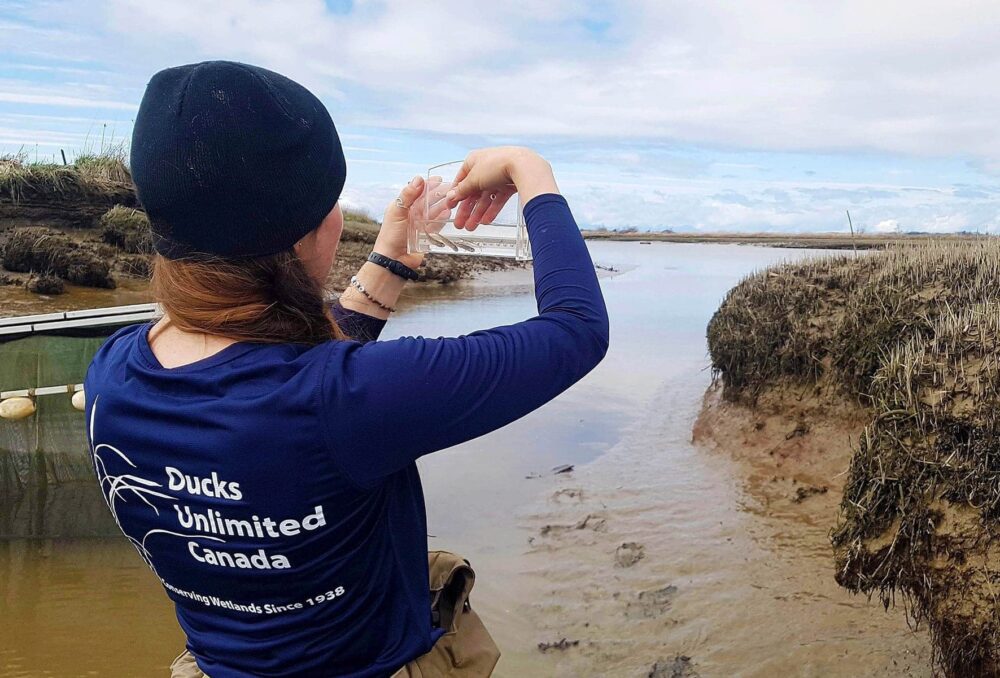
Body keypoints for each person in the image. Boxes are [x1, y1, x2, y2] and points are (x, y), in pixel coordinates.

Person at [84, 60, 609, 678]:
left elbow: (280, 372)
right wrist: (531, 170)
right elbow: (577, 330)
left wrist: (391, 259)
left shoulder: (113, 372)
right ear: (309, 236)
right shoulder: (347, 400)